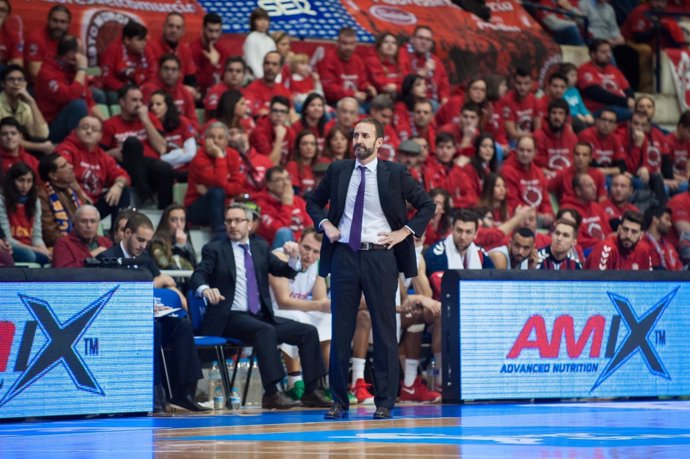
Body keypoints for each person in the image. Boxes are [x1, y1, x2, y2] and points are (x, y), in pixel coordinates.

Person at [305, 117, 435, 420]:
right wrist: (325, 225)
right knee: (341, 329)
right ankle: (338, 400)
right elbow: (313, 202)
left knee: (385, 328)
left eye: (365, 135)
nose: (358, 140)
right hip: (345, 256)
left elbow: (427, 205)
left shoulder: (396, 173)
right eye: (355, 135)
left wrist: (405, 231)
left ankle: (385, 401)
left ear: (379, 143)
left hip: (381, 256)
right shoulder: (338, 170)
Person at [191, 203, 331, 410]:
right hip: (230, 316)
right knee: (264, 331)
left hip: (260, 316)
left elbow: (284, 271)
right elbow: (199, 273)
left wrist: (294, 259)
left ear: (249, 225)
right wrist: (204, 289)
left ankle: (313, 390)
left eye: (238, 220)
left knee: (308, 332)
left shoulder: (260, 248)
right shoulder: (215, 249)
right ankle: (272, 392)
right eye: (229, 221)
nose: (232, 225)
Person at [98, 212, 207, 412]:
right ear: (126, 233)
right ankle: (155, 393)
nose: (143, 245)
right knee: (154, 328)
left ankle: (184, 393)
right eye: (140, 240)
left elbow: (163, 286)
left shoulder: (146, 258)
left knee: (182, 325)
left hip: (147, 316)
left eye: (147, 241)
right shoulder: (106, 259)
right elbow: (105, 300)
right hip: (119, 324)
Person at [268, 226, 331, 401]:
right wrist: (318, 305)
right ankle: (294, 381)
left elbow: (322, 300)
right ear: (298, 241)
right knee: (299, 319)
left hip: (298, 310)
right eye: (306, 247)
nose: (309, 255)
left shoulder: (317, 264)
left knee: (328, 320)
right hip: (273, 311)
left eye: (315, 251)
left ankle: (329, 382)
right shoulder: (280, 256)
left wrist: (325, 306)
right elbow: (284, 301)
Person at [100, 84, 172, 209]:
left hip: (148, 165)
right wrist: (110, 153)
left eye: (141, 100)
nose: (139, 104)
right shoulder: (109, 124)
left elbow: (161, 148)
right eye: (134, 100)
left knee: (165, 168)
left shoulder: (150, 119)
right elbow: (98, 154)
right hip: (125, 166)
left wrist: (145, 120)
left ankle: (166, 211)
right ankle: (145, 196)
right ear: (122, 102)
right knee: (132, 143)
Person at [56, 116, 130, 220]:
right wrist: (79, 192)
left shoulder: (103, 156)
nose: (89, 131)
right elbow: (62, 172)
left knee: (123, 191)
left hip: (92, 204)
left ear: (100, 136)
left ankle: (117, 233)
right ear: (76, 131)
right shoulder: (66, 148)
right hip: (71, 202)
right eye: (85, 127)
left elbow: (122, 175)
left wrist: (118, 185)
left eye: (94, 129)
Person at [34, 35, 95, 144]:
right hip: (50, 127)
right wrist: (81, 70)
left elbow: (88, 100)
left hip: (72, 121)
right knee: (78, 105)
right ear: (71, 55)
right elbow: (71, 97)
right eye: (81, 52)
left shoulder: (73, 69)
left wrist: (105, 123)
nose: (84, 57)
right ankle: (81, 151)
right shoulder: (47, 73)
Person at [184, 121, 242, 235]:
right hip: (196, 207)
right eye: (211, 137)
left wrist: (208, 191)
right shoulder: (199, 158)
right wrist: (219, 156)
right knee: (216, 193)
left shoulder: (233, 155)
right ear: (205, 139)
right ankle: (220, 236)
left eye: (220, 137)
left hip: (223, 204)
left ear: (226, 141)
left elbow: (238, 187)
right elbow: (220, 183)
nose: (215, 141)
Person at [0, 163, 50, 265]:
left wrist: (44, 250)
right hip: (11, 246)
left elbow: (36, 235)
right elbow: (7, 238)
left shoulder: (35, 201)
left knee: (48, 257)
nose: (25, 186)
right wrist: (38, 250)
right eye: (21, 180)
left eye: (29, 181)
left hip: (30, 246)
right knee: (29, 255)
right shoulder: (2, 199)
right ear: (12, 181)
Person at [37, 153, 90, 248]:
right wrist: (77, 240)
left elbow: (87, 215)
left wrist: (78, 190)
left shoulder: (71, 189)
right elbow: (50, 234)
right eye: (64, 166)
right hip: (60, 246)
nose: (71, 166)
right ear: (53, 175)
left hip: (79, 241)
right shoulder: (42, 196)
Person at [500, 135, 554, 227]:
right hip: (518, 217)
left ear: (535, 152)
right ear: (516, 150)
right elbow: (512, 202)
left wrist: (548, 213)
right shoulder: (506, 171)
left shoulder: (539, 172)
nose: (525, 154)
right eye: (521, 150)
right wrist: (535, 215)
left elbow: (545, 200)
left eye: (529, 151)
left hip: (538, 217)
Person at [425, 208, 495, 275]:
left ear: (475, 234)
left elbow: (493, 281)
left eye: (468, 232)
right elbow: (440, 286)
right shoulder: (437, 254)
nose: (463, 237)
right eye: (459, 231)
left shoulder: (480, 253)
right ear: (452, 230)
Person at [254, 165, 311, 248]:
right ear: (269, 185)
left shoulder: (298, 201)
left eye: (287, 178)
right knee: (284, 233)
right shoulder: (261, 206)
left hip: (302, 247)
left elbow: (311, 226)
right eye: (279, 180)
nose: (286, 183)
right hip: (277, 250)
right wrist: (287, 205)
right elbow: (277, 231)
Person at [577, 39, 634, 121]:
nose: (608, 55)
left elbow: (628, 90)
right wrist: (625, 102)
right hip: (597, 110)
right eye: (603, 52)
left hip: (619, 108)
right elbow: (596, 93)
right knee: (634, 116)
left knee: (643, 115)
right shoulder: (584, 69)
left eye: (609, 51)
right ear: (593, 54)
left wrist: (630, 101)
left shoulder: (614, 70)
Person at [100, 21, 156, 103]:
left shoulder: (147, 50)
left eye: (144, 40)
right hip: (118, 90)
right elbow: (107, 79)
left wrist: (143, 88)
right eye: (139, 40)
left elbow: (152, 75)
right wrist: (129, 90)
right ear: (127, 40)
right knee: (113, 97)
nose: (143, 43)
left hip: (140, 89)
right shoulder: (113, 50)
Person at [317, 27, 374, 106]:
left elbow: (362, 82)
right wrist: (352, 94)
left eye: (351, 44)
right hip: (334, 102)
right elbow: (329, 89)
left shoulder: (358, 60)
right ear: (337, 43)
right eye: (345, 43)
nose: (348, 47)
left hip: (356, 100)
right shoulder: (328, 60)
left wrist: (368, 87)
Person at [0, 65, 50, 153]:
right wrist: (41, 147)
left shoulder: (25, 105)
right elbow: (4, 139)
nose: (16, 83)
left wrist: (32, 102)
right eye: (11, 79)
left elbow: (42, 134)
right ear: (3, 83)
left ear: (25, 84)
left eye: (20, 79)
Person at [148, 90, 197, 181]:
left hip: (186, 171)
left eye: (158, 104)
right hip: (162, 172)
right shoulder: (148, 127)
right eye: (151, 105)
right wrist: (179, 152)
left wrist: (164, 158)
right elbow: (153, 161)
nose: (154, 108)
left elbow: (191, 154)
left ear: (167, 106)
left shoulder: (182, 122)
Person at [141, 55, 199, 131]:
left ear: (179, 72)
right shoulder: (148, 89)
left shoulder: (184, 91)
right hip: (156, 132)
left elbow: (193, 120)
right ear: (159, 70)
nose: (169, 73)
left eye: (174, 69)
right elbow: (144, 117)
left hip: (181, 134)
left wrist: (192, 132)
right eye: (166, 68)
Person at [399, 25, 450, 107]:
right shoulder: (402, 53)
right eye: (420, 38)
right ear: (412, 39)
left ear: (431, 43)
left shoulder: (435, 60)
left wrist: (444, 98)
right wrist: (421, 73)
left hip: (431, 102)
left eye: (428, 40)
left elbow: (444, 85)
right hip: (409, 100)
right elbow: (403, 82)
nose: (424, 42)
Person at [559, 173, 612, 250]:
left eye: (593, 184)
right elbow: (577, 240)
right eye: (589, 186)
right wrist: (603, 243)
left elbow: (608, 231)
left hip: (603, 247)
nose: (594, 188)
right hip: (584, 251)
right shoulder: (568, 211)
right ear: (578, 191)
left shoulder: (596, 207)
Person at [585, 210, 652, 270]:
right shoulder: (607, 249)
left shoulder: (644, 251)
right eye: (625, 229)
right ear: (619, 229)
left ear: (641, 235)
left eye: (634, 232)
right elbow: (597, 282)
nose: (628, 235)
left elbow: (648, 281)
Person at [148, 13, 197, 93]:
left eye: (178, 27)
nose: (174, 30)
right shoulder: (151, 47)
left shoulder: (185, 50)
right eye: (171, 26)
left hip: (178, 92)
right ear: (164, 27)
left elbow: (190, 79)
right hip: (156, 92)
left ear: (183, 31)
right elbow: (151, 77)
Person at [190, 13, 233, 99]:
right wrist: (212, 65)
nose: (214, 35)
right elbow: (197, 84)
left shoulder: (223, 51)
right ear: (203, 29)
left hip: (220, 98)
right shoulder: (192, 50)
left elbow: (226, 80)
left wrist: (216, 66)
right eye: (210, 31)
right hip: (199, 98)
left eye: (217, 31)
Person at [533, 98, 578, 179]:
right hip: (547, 177)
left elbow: (575, 164)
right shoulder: (539, 136)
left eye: (561, 113)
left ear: (566, 117)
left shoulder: (572, 137)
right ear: (548, 115)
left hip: (568, 178)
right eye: (554, 113)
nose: (557, 117)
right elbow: (539, 166)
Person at [25, 6, 72, 82]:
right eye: (55, 21)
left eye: (63, 22)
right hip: (41, 87)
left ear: (69, 24)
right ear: (48, 20)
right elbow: (36, 75)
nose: (58, 25)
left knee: (96, 93)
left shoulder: (72, 41)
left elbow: (84, 69)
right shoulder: (36, 39)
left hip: (67, 85)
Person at [577, 108, 626, 176]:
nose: (606, 124)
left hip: (609, 175)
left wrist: (607, 171)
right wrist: (615, 171)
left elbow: (622, 166)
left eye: (611, 121)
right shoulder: (586, 135)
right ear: (597, 121)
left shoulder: (615, 139)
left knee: (636, 182)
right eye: (604, 120)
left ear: (615, 126)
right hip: (589, 175)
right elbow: (591, 166)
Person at [150, 203, 196, 276]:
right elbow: (165, 266)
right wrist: (179, 248)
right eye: (174, 220)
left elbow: (194, 265)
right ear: (166, 222)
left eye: (182, 220)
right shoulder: (157, 242)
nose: (179, 224)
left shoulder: (185, 240)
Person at [249, 95, 295, 166]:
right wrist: (279, 138)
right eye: (275, 111)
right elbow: (270, 164)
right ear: (269, 112)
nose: (278, 114)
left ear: (288, 115)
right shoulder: (259, 132)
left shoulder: (290, 132)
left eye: (282, 111)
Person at [244, 51, 291, 118]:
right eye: (267, 63)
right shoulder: (251, 89)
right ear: (263, 66)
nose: (270, 67)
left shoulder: (284, 91)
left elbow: (291, 114)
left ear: (280, 69)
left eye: (274, 64)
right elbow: (249, 113)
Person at [501, 67, 540, 144]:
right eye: (519, 83)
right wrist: (531, 136)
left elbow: (538, 128)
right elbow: (512, 134)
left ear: (531, 83)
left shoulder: (534, 100)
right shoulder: (506, 100)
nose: (522, 87)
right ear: (513, 82)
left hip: (530, 142)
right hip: (511, 144)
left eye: (526, 83)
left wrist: (534, 137)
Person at [643, 206, 682, 271]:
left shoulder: (669, 247)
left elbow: (680, 268)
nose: (670, 224)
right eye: (667, 219)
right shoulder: (642, 243)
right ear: (655, 220)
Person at [366, 32, 404, 97]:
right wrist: (398, 85)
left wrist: (396, 87)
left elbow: (406, 82)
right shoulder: (372, 60)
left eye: (394, 43)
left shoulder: (400, 62)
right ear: (379, 46)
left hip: (397, 95)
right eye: (386, 42)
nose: (390, 45)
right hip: (377, 97)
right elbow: (381, 84)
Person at [243, 7, 276, 80]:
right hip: (254, 79)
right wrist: (262, 79)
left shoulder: (270, 40)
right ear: (253, 22)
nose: (263, 22)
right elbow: (251, 62)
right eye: (259, 19)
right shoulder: (251, 38)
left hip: (269, 79)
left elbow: (275, 61)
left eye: (266, 19)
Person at [286, 131, 318, 195]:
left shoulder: (318, 166)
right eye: (305, 144)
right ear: (298, 147)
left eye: (312, 144)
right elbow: (295, 192)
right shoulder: (292, 165)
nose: (309, 147)